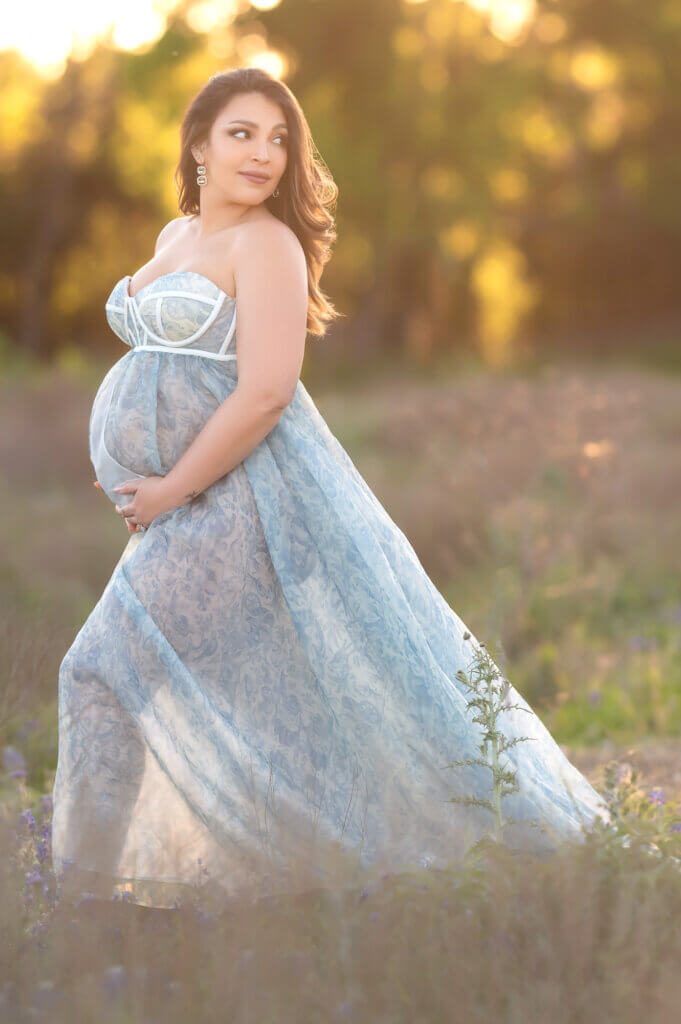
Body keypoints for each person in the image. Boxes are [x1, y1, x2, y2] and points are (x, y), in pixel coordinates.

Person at [51, 67, 609, 911]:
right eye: (243, 134)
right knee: (260, 703)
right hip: (184, 504)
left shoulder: (264, 245)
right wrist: (131, 454)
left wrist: (168, 488)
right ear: (198, 142)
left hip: (236, 510)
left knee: (99, 672)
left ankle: (86, 910)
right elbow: (165, 365)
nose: (265, 155)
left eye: (280, 140)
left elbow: (266, 391)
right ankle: (313, 892)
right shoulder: (176, 235)